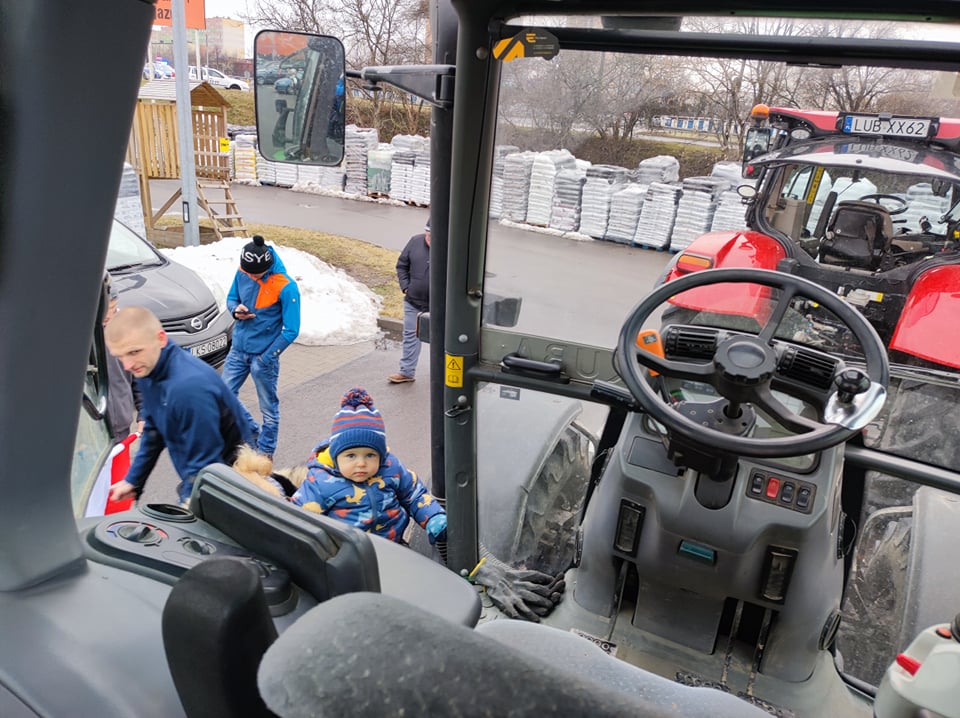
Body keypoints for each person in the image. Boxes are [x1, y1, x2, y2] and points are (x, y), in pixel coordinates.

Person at [105, 307, 254, 505]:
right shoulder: (149, 368)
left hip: (234, 479)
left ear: (161, 339)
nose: (127, 365)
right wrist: (133, 480)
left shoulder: (188, 390)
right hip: (204, 473)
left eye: (134, 352)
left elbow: (206, 467)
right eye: (120, 356)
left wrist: (186, 506)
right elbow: (153, 431)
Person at [291, 387, 447, 545]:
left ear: (381, 455)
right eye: (351, 456)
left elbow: (413, 494)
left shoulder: (391, 468)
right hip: (350, 556)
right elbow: (300, 517)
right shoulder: (320, 481)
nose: (361, 463)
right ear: (335, 456)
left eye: (370, 455)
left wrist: (433, 516)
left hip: (395, 547)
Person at [221, 234, 301, 459]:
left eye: (251, 273)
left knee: (268, 407)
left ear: (265, 269)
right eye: (244, 271)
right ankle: (253, 432)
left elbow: (292, 330)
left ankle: (266, 451)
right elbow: (231, 298)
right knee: (224, 394)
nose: (246, 275)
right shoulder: (243, 270)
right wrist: (235, 310)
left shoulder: (286, 287)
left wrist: (267, 357)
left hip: (263, 358)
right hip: (238, 350)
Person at [388, 219, 430, 384]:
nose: (430, 239)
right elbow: (402, 265)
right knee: (411, 335)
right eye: (428, 235)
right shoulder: (415, 242)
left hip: (441, 305)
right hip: (414, 301)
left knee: (443, 340)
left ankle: (445, 375)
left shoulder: (450, 248)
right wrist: (406, 287)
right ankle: (406, 372)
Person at [101, 272, 142, 440]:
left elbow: (140, 375)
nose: (111, 314)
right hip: (91, 433)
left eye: (114, 307)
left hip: (120, 426)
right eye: (107, 308)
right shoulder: (80, 337)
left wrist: (144, 412)